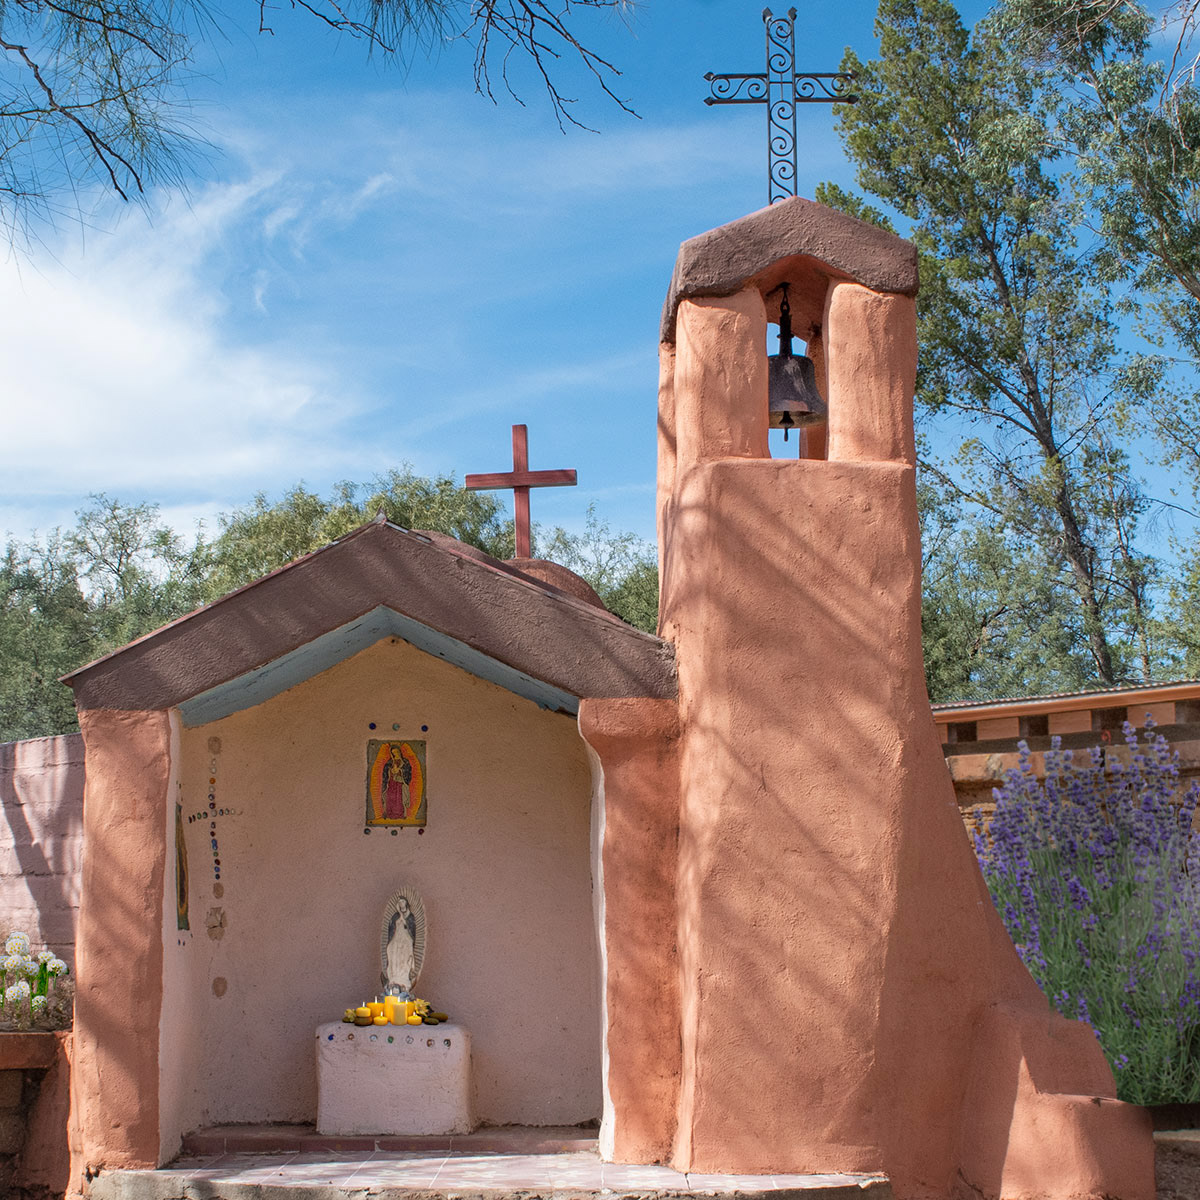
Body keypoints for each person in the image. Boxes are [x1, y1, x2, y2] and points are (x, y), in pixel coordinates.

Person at [384, 897, 416, 993]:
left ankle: (404, 977)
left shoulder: (410, 916)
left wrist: (404, 921)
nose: (401, 903)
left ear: (406, 903)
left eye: (403, 901)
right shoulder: (395, 916)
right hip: (396, 940)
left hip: (405, 940)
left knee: (405, 957)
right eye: (399, 902)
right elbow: (391, 929)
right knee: (394, 956)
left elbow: (411, 929)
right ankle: (394, 976)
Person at [382, 745, 412, 820]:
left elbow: (408, 772)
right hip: (391, 782)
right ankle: (389, 814)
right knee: (390, 797)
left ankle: (400, 815)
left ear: (400, 752)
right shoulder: (390, 762)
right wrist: (391, 771)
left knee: (399, 798)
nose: (396, 754)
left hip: (400, 783)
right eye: (394, 753)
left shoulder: (405, 762)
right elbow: (385, 772)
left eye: (397, 752)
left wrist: (400, 771)